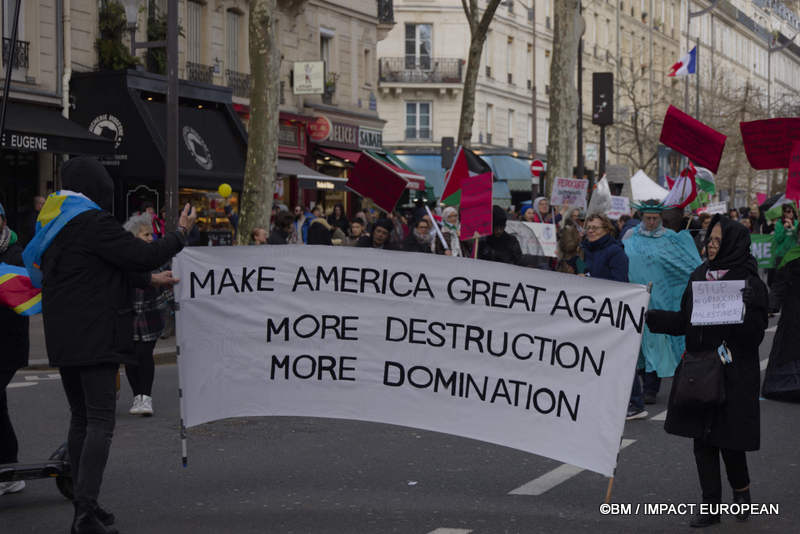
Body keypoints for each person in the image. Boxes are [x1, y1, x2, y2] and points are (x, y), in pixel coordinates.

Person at [26, 157, 196, 534]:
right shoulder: (93, 222)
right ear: (95, 187)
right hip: (96, 335)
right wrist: (180, 233)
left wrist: (149, 280)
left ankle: (84, 504)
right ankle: (85, 513)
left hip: (64, 336)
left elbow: (98, 269)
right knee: (100, 422)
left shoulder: (55, 222)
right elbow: (143, 254)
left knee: (81, 419)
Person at [646, 215, 767, 527]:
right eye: (709, 240)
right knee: (703, 442)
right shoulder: (699, 275)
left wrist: (749, 308)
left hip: (733, 374)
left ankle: (742, 493)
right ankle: (711, 506)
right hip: (700, 371)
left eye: (717, 241)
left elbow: (754, 337)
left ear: (732, 244)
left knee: (729, 442)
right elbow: (684, 321)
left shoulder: (750, 282)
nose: (711, 246)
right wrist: (649, 316)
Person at [623, 200, 702, 417]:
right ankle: (640, 381)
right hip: (633, 297)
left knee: (656, 341)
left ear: (660, 219)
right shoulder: (630, 236)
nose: (651, 222)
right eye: (647, 218)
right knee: (637, 343)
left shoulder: (670, 239)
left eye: (655, 218)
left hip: (660, 298)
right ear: (641, 217)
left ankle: (651, 387)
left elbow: (687, 266)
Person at [122, 214, 174, 417]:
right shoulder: (123, 258)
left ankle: (145, 397)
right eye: (146, 235)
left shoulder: (156, 257)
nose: (151, 238)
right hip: (128, 315)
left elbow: (169, 283)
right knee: (130, 358)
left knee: (144, 354)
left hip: (150, 314)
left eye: (151, 234)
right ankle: (137, 396)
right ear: (134, 236)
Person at [0, 202, 29, 496]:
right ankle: (9, 470)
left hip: (8, 345)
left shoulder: (16, 254)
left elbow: (19, 302)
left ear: (3, 221)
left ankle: (8, 471)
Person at [762, 231, 800, 401]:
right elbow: (779, 284)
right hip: (794, 313)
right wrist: (772, 305)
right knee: (790, 348)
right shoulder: (791, 257)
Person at [581, 214, 628, 282]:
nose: (590, 231)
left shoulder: (616, 252)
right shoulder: (584, 248)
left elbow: (619, 282)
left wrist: (588, 278)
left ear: (606, 230)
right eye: (588, 228)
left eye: (595, 228)